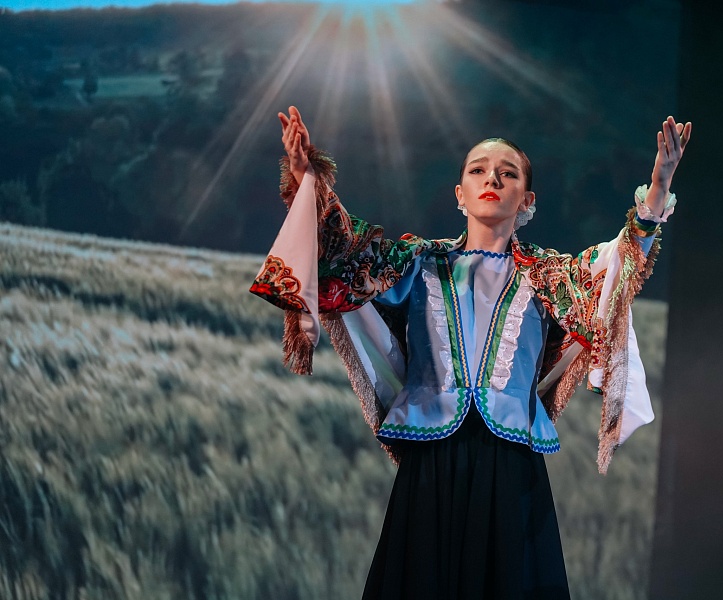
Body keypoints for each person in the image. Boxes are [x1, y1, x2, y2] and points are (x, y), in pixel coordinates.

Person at [250, 105, 691, 599]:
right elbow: (344, 250)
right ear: (460, 193)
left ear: (527, 200)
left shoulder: (550, 276)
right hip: (432, 461)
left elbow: (618, 263)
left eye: (508, 173)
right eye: (478, 170)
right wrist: (306, 177)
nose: (492, 179)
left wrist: (657, 191)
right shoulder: (419, 261)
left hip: (511, 462)